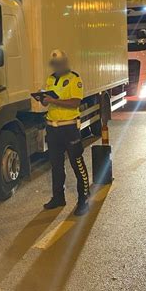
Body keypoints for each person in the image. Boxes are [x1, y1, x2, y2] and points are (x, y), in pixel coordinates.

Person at [41, 49, 90, 216]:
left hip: (69, 127)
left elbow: (75, 102)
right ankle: (58, 197)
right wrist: (44, 100)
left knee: (77, 163)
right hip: (52, 127)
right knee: (56, 165)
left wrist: (54, 100)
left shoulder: (74, 78)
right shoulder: (50, 79)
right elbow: (48, 104)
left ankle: (84, 199)